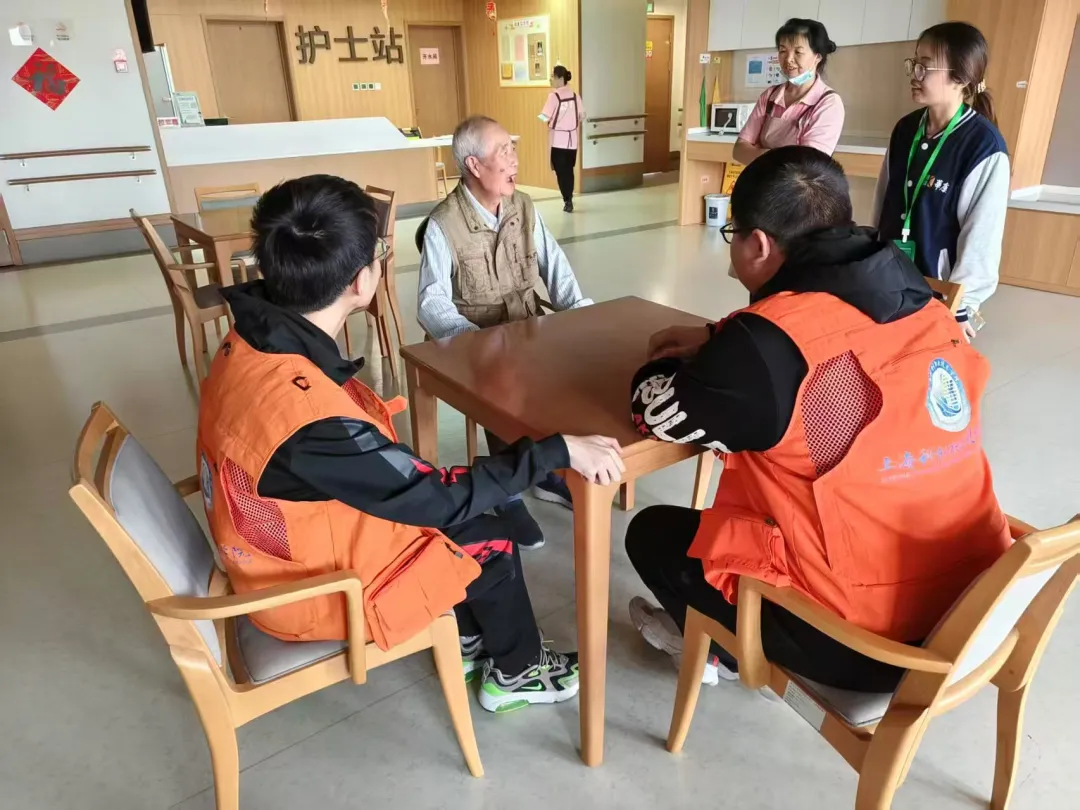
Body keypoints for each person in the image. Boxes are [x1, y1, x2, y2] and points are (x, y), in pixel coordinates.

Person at [197, 174, 625, 713]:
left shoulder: (249, 339)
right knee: (490, 536)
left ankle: (469, 638)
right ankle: (518, 672)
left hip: (278, 548)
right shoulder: (307, 417)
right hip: (310, 590)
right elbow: (434, 500)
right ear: (362, 281)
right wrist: (556, 452)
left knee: (468, 499)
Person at [625, 146, 1011, 690]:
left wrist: (668, 363)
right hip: (976, 608)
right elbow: (836, 330)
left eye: (734, 233)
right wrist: (720, 337)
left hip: (868, 644)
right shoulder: (917, 295)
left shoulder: (764, 349)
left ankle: (722, 653)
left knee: (651, 533)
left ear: (759, 244)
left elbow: (654, 410)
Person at [418, 115, 593, 549]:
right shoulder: (444, 223)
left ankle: (542, 469)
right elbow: (431, 303)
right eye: (504, 152)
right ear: (474, 165)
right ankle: (507, 492)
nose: (514, 159)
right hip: (476, 342)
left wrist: (581, 315)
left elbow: (555, 267)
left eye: (513, 149)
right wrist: (478, 342)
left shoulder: (523, 207)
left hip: (528, 329)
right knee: (502, 384)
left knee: (569, 374)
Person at [873, 22, 1009, 339]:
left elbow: (982, 237)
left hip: (939, 296)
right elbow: (884, 200)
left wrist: (962, 305)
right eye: (914, 63)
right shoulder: (905, 129)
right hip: (889, 283)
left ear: (960, 77)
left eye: (925, 66)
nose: (915, 74)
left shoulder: (983, 146)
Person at [733, 18, 845, 164]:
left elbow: (807, 165)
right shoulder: (770, 96)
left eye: (798, 52)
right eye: (783, 51)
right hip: (762, 178)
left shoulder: (828, 103)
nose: (788, 59)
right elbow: (739, 150)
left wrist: (761, 155)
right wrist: (776, 158)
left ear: (817, 57)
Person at [539, 65, 585, 212]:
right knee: (569, 170)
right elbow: (582, 116)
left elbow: (545, 116)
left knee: (560, 172)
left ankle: (566, 200)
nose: (551, 79)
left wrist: (542, 119)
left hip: (558, 141)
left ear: (560, 78)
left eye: (552, 76)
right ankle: (569, 198)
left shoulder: (553, 96)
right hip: (572, 142)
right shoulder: (575, 96)